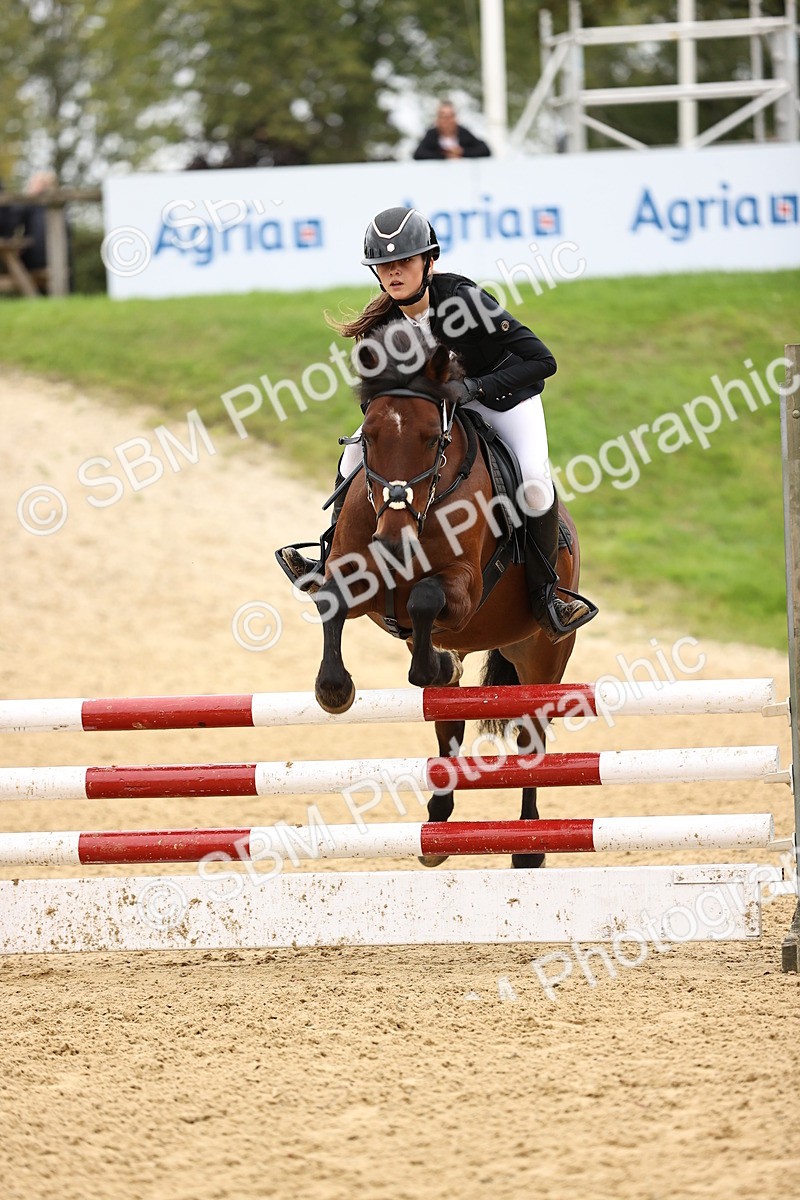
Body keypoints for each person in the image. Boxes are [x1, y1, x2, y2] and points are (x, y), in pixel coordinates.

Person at [278, 206, 595, 643]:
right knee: (354, 451)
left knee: (536, 483)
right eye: (384, 266)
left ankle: (547, 597)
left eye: (404, 262)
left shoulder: (464, 301)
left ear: (430, 261)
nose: (393, 273)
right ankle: (327, 555)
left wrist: (474, 388)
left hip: (502, 401)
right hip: (435, 413)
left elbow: (542, 361)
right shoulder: (384, 324)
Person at [412, 101, 490, 160]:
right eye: (443, 116)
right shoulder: (432, 135)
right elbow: (418, 154)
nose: (447, 120)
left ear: (455, 118)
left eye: (450, 116)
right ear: (438, 119)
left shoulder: (464, 133)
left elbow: (485, 150)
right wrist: (445, 155)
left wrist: (461, 152)